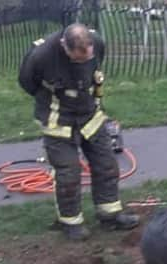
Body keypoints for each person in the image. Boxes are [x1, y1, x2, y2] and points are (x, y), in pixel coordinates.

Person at [18, 23, 139, 240]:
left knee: (106, 164)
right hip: (58, 118)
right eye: (77, 59)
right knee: (68, 172)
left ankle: (109, 213)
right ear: (65, 46)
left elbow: (94, 71)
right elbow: (28, 82)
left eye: (86, 59)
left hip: (89, 114)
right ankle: (71, 222)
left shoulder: (97, 42)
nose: (82, 62)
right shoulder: (41, 55)